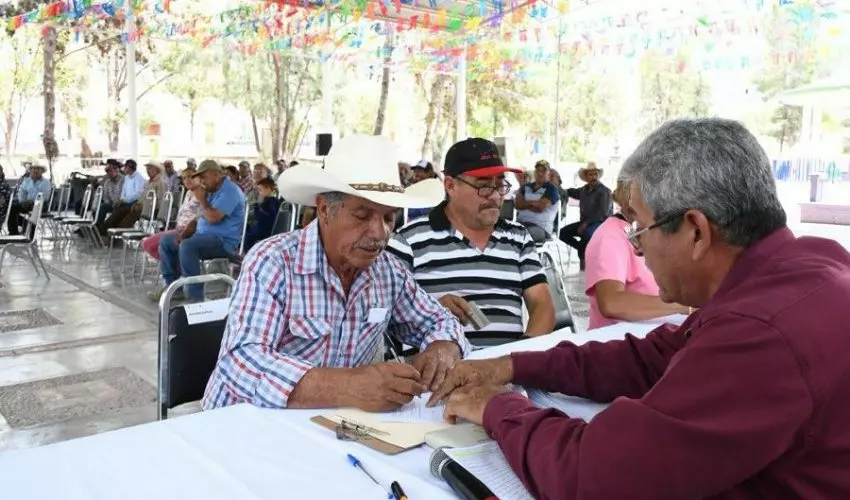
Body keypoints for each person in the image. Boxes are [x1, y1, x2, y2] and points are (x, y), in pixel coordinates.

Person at [430, 118, 850, 499]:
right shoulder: (811, 262)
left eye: (641, 229)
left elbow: (594, 477)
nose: (638, 248)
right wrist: (512, 365)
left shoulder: (759, 330)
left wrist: (497, 408)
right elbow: (653, 358)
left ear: (696, 231)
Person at [203, 135, 470, 411]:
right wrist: (348, 386)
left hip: (330, 426)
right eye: (362, 215)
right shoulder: (273, 262)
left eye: (389, 217)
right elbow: (241, 361)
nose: (379, 233)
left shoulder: (388, 271)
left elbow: (440, 320)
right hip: (241, 423)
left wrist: (443, 348)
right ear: (324, 210)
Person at [388, 138, 555, 345]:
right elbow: (384, 320)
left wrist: (520, 354)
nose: (495, 196)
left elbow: (542, 305)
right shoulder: (408, 240)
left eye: (499, 185)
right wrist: (430, 312)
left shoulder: (518, 237)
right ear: (450, 186)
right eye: (483, 186)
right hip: (439, 363)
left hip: (508, 362)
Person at [584, 179, 689, 329]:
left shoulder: (646, 231)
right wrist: (683, 305)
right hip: (622, 335)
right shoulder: (610, 237)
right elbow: (611, 303)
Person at [151, 160, 245, 302]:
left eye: (204, 177)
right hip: (201, 237)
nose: (202, 181)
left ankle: (195, 296)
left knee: (188, 246)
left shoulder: (230, 191)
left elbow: (213, 217)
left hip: (223, 242)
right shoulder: (212, 190)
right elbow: (197, 220)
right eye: (200, 178)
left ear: (217, 175)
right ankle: (173, 287)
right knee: (166, 241)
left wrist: (202, 199)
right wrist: (183, 235)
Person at [140, 167, 202, 260]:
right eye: (184, 178)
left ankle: (174, 264)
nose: (187, 180)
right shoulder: (189, 193)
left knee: (148, 243)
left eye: (190, 176)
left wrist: (185, 229)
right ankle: (174, 263)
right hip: (179, 228)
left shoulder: (203, 193)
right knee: (148, 244)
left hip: (188, 230)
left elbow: (200, 217)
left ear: (198, 177)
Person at [558, 162, 611, 270]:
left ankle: (584, 262)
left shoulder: (604, 191)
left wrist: (586, 223)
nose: (594, 177)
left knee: (586, 235)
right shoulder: (583, 190)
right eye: (591, 174)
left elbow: (603, 213)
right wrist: (557, 185)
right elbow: (569, 192)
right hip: (585, 223)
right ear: (586, 177)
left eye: (596, 174)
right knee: (563, 233)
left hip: (600, 223)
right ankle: (587, 251)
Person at [514, 159, 560, 242]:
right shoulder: (525, 187)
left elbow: (540, 207)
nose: (540, 173)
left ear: (548, 173)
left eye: (543, 171)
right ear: (534, 172)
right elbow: (517, 205)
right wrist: (533, 204)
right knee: (503, 231)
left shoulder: (552, 189)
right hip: (521, 224)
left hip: (541, 227)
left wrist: (524, 204)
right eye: (538, 170)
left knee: (520, 235)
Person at [98, 159, 147, 235]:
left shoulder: (138, 178)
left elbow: (137, 194)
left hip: (133, 203)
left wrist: (124, 200)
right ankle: (103, 230)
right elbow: (123, 191)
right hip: (124, 202)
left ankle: (104, 231)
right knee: (113, 209)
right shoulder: (127, 177)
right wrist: (121, 199)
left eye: (125, 167)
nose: (124, 169)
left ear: (130, 168)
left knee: (118, 212)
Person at [7, 164, 50, 235]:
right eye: (33, 169)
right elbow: (21, 194)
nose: (35, 171)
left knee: (34, 208)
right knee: (13, 208)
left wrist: (32, 201)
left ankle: (30, 231)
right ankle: (13, 232)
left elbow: (45, 196)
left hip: (41, 204)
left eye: (38, 169)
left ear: (41, 171)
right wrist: (23, 202)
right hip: (27, 203)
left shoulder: (46, 182)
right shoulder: (26, 181)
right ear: (30, 171)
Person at [242, 177, 281, 252]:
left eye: (260, 190)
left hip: (266, 229)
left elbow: (267, 216)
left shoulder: (272, 202)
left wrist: (259, 206)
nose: (259, 193)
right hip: (260, 226)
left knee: (249, 237)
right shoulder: (266, 201)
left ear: (268, 189)